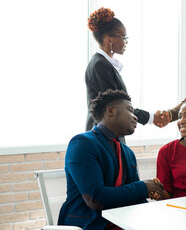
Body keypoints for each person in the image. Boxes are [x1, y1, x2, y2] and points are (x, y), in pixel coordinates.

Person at [58, 89, 164, 229]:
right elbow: (96, 199)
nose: (135, 117)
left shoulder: (127, 152)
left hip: (123, 222)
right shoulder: (83, 143)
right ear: (110, 111)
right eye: (130, 110)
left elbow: (135, 196)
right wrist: (144, 187)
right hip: (90, 224)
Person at [85, 7, 166, 142]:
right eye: (123, 37)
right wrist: (151, 118)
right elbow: (116, 105)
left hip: (109, 135)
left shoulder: (105, 64)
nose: (126, 42)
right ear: (109, 39)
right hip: (103, 137)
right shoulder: (100, 65)